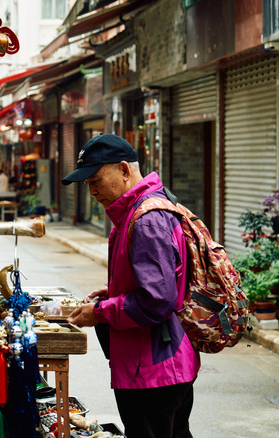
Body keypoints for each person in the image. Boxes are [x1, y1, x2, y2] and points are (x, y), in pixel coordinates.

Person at [64, 134, 199, 438]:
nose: (91, 190)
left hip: (153, 371)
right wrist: (113, 292)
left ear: (124, 169)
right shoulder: (138, 211)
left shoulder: (146, 219)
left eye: (95, 180)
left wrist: (99, 312)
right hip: (155, 367)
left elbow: (157, 300)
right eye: (87, 184)